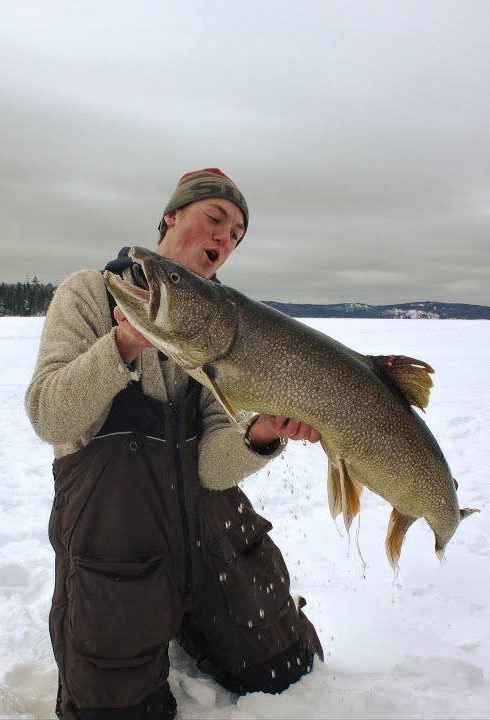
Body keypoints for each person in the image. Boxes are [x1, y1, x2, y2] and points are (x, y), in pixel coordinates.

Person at [25, 168, 325, 719]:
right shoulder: (88, 294)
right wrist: (123, 343)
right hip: (117, 544)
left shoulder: (221, 326)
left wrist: (260, 435)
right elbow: (49, 415)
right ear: (170, 217)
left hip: (209, 533)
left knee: (287, 666)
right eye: (215, 219)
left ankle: (193, 617)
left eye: (235, 235)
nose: (224, 239)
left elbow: (212, 466)